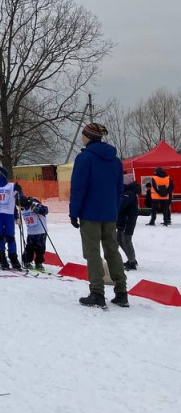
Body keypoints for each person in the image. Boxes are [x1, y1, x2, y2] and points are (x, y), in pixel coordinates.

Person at [69, 123, 128, 308]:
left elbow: (78, 188)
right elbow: (120, 189)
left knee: (92, 252)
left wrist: (74, 212)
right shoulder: (115, 160)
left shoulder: (84, 158)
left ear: (88, 136)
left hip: (90, 213)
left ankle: (97, 293)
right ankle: (121, 292)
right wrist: (114, 209)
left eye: (83, 134)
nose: (82, 138)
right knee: (112, 251)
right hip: (110, 213)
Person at [0, 166, 23, 270]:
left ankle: (14, 259)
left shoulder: (11, 186)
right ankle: (2, 258)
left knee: (10, 236)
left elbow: (20, 196)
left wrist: (19, 190)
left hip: (8, 215)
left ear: (3, 175)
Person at [117, 173, 141, 270]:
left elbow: (121, 206)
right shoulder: (127, 192)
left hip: (127, 221)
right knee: (119, 239)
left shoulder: (129, 193)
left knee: (126, 240)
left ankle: (132, 261)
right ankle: (130, 259)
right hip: (122, 220)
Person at [20, 197, 50, 271]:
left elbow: (45, 210)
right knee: (29, 248)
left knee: (40, 249)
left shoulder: (34, 205)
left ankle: (39, 263)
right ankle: (26, 261)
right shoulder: (23, 209)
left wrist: (39, 210)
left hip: (40, 231)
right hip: (31, 232)